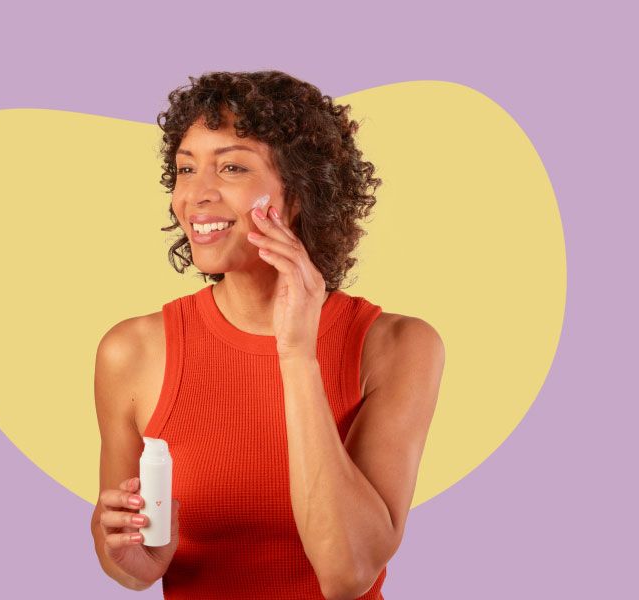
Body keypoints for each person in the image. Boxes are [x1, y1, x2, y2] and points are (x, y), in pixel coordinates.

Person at [90, 70, 445, 599]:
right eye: (186, 170)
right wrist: (129, 561)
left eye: (231, 167)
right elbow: (132, 562)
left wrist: (297, 355)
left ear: (300, 194)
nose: (196, 195)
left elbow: (348, 573)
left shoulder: (396, 346)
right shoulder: (131, 352)